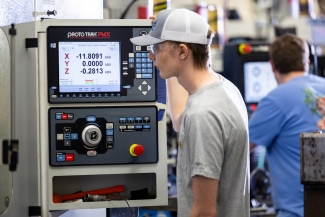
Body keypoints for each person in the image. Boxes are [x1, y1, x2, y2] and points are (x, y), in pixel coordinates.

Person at [130, 8, 250, 217]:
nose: (151, 55)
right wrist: (164, 28)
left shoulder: (203, 114)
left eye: (157, 47)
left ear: (183, 52)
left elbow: (204, 212)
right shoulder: (224, 89)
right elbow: (178, 120)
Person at [249, 33, 325, 217]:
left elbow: (240, 148)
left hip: (298, 211)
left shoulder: (275, 100)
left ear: (272, 65)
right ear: (307, 61)